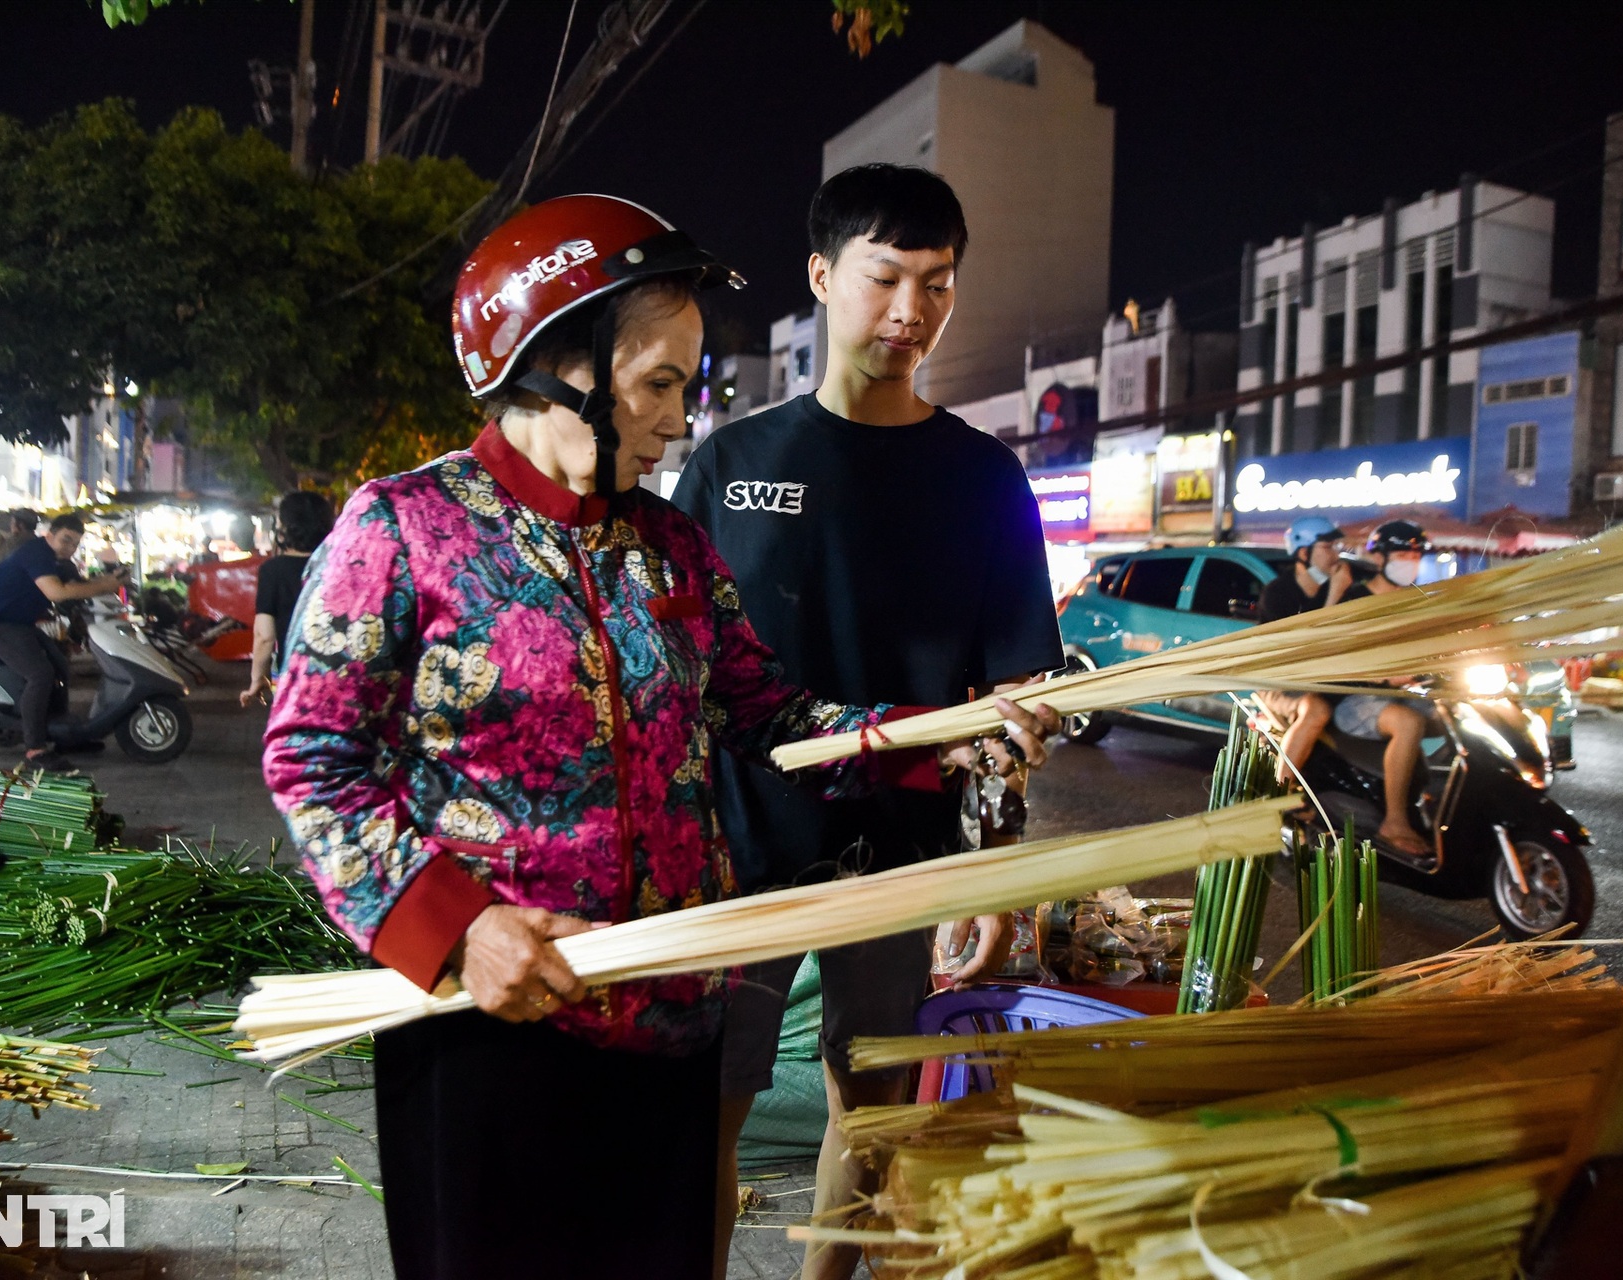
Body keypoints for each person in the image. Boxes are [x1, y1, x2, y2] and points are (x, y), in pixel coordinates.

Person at [261, 195, 1056, 1280]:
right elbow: (314, 760)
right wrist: (456, 927)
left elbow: (770, 713)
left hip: (671, 1020)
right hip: (493, 1026)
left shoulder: (670, 542)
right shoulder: (406, 528)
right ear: (555, 367)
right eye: (660, 385)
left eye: (689, 386)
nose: (682, 420)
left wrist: (948, 734)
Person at [671, 163, 1065, 1280]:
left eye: (939, 284)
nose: (912, 312)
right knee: (716, 1095)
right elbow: (675, 671)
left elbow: (1014, 703)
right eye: (886, 277)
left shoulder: (985, 480)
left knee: (875, 1096)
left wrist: (999, 881)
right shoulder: (732, 464)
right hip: (743, 847)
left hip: (902, 850)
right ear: (820, 275)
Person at [0, 512, 124, 769]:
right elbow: (56, 591)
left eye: (75, 543)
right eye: (66, 540)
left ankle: (62, 736)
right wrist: (104, 585)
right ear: (49, 535)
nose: (70, 548)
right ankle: (34, 748)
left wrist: (109, 580)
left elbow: (77, 584)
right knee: (40, 674)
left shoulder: (57, 560)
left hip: (20, 625)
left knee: (60, 666)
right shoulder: (37, 553)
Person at [1331, 520, 1434, 856]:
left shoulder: (1417, 601)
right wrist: (1383, 677)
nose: (1411, 561)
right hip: (1358, 699)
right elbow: (1336, 652)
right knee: (1409, 723)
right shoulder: (1357, 598)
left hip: (1405, 693)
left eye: (1416, 554)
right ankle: (1395, 821)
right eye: (1403, 553)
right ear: (1380, 559)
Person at [1257, 517, 1352, 783]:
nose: (1336, 554)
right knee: (1316, 710)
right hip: (1277, 680)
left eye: (1337, 546)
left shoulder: (1338, 589)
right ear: (1303, 552)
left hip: (1323, 678)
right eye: (1328, 547)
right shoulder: (1278, 593)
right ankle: (1280, 793)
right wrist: (1334, 596)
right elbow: (1303, 646)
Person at [242, 491, 335, 708]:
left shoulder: (272, 571)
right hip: (337, 675)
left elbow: (264, 635)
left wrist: (258, 678)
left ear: (284, 527)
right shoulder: (340, 565)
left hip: (293, 676)